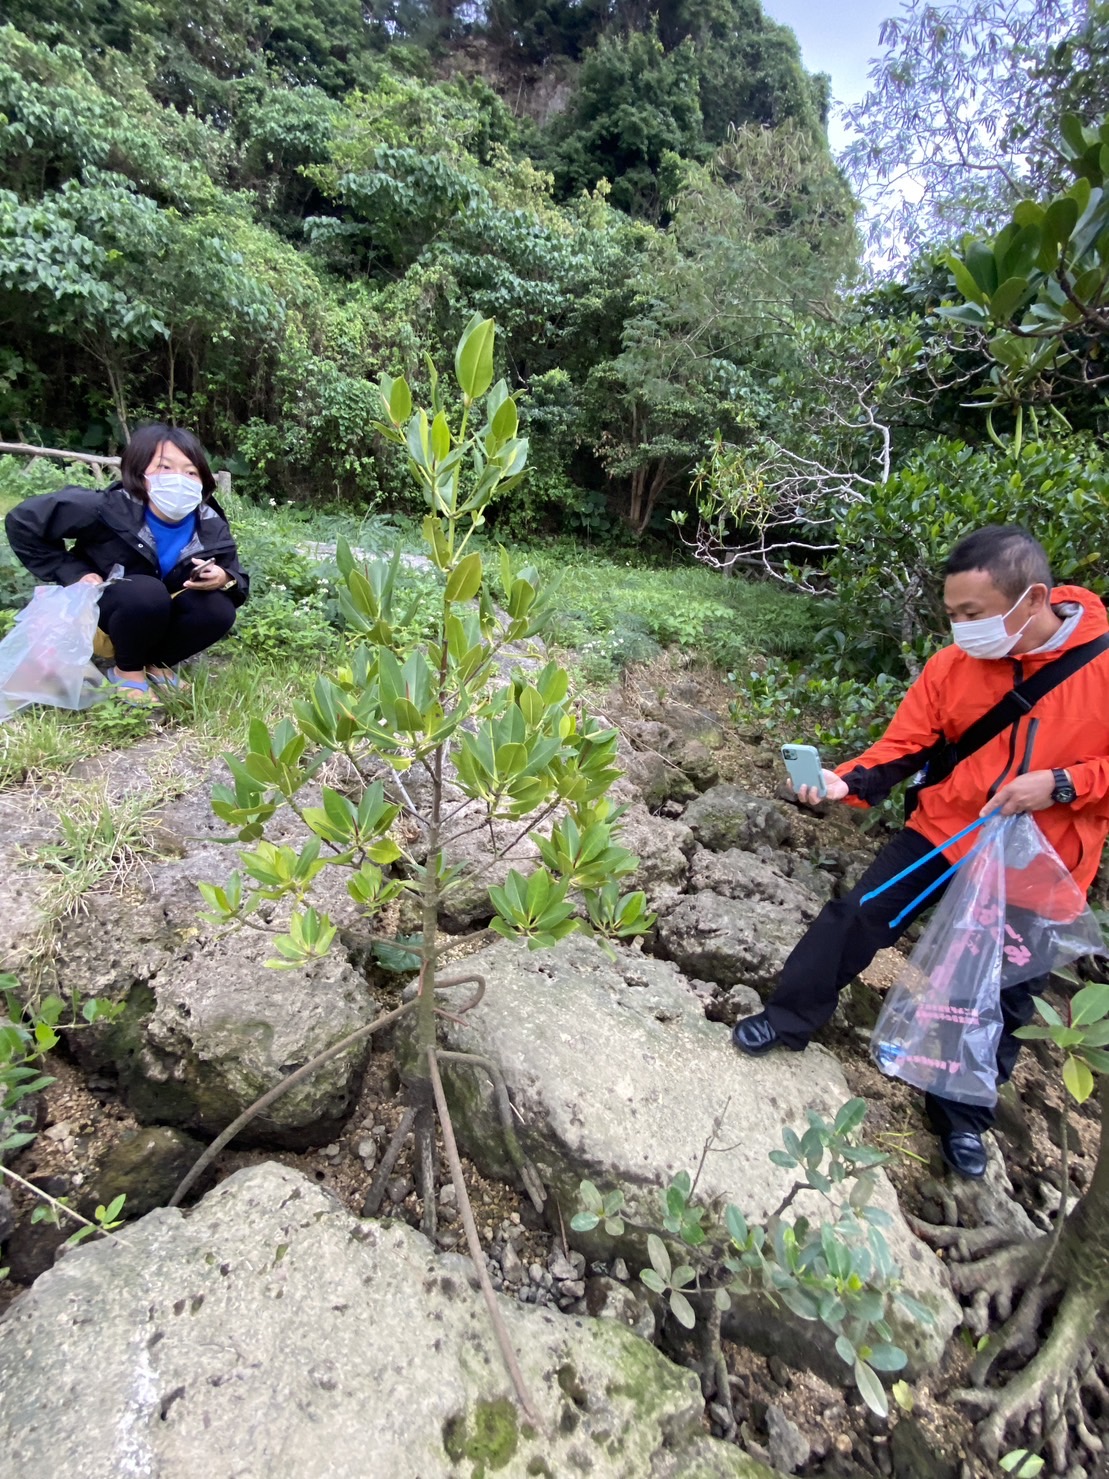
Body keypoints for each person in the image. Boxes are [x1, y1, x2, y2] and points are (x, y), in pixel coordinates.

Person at [733, 525, 1109, 1179]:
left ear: (1032, 598)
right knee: (857, 914)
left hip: (1041, 859)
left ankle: (962, 1117)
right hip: (945, 830)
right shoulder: (951, 668)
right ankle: (788, 1015)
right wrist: (844, 780)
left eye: (972, 614)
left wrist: (1059, 783)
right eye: (952, 615)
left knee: (1004, 989)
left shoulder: (1101, 665)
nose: (961, 629)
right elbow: (904, 747)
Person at [5, 424, 249, 706]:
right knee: (146, 592)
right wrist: (73, 572)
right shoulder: (105, 508)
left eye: (191, 472)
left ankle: (157, 665)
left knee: (217, 609)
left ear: (203, 480)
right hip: (105, 616)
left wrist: (223, 577)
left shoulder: (210, 524)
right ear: (139, 471)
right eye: (165, 467)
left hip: (159, 616)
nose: (179, 479)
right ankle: (127, 671)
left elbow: (236, 577)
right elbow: (22, 522)